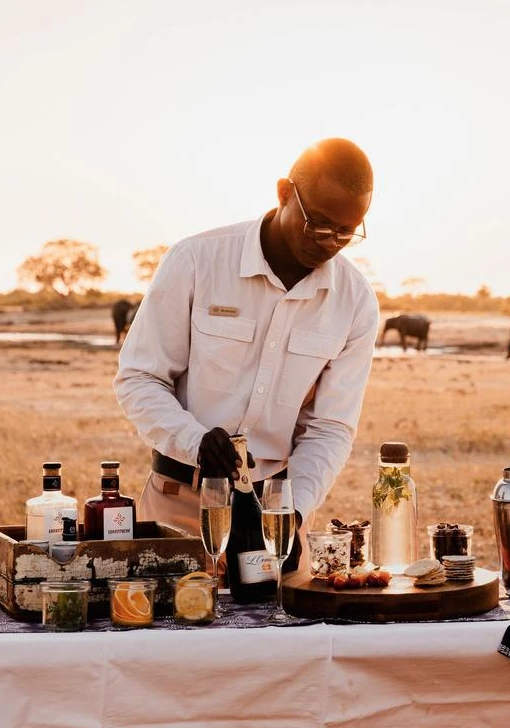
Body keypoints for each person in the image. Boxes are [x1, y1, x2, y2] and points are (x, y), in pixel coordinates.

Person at [113, 138, 379, 567]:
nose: (329, 242)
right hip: (178, 503)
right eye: (319, 224)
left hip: (278, 513)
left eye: (347, 231)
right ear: (284, 193)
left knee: (280, 634)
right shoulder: (196, 261)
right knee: (167, 631)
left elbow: (330, 427)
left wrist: (293, 513)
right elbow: (139, 378)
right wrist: (195, 441)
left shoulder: (355, 301)